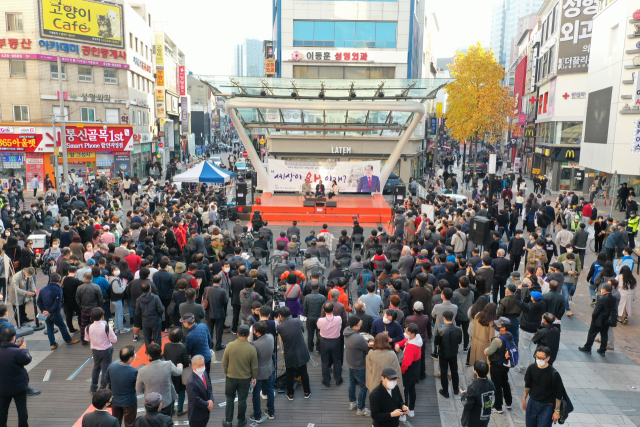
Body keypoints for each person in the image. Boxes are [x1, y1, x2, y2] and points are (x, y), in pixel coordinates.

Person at [222, 324, 258, 427]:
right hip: (245, 378)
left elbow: (224, 362)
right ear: (248, 334)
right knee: (242, 400)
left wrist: (227, 372)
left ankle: (228, 421)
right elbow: (254, 366)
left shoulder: (230, 346)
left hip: (231, 377)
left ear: (237, 334)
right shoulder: (251, 348)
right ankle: (241, 421)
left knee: (229, 399)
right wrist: (254, 377)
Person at [136, 343, 183, 417]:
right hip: (166, 401)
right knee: (167, 420)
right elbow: (178, 372)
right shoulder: (168, 364)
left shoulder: (142, 371)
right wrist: (180, 366)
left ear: (149, 356)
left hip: (151, 403)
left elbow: (139, 389)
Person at [522, 347, 565, 426]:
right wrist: (524, 398)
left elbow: (559, 393)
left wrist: (557, 411)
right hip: (532, 403)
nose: (539, 360)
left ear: (548, 358)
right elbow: (528, 384)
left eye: (542, 358)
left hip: (547, 406)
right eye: (537, 357)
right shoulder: (531, 368)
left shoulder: (554, 374)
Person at [37, 272, 81, 349]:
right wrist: (50, 311)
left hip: (45, 313)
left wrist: (44, 310)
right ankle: (68, 340)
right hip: (54, 313)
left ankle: (53, 343)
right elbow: (57, 303)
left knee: (49, 328)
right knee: (62, 327)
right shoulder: (58, 289)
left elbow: (39, 301)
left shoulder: (43, 289)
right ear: (59, 280)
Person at [276, 306, 311, 399]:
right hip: (301, 350)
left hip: (289, 352)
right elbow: (302, 331)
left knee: (289, 372)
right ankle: (307, 392)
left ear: (280, 316)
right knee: (304, 371)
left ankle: (290, 394)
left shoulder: (280, 327)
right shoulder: (297, 321)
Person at [0, 327, 31, 427]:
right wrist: (24, 349)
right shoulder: (17, 352)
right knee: (21, 410)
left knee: (2, 410)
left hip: (2, 387)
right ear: (13, 338)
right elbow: (27, 359)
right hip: (18, 386)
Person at [484, 317, 514, 413]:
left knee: (497, 386)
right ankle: (508, 402)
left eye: (499, 325)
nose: (496, 326)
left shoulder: (497, 340)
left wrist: (486, 350)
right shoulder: (510, 335)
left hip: (497, 365)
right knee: (505, 382)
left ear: (504, 328)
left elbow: (488, 352)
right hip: (506, 364)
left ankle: (498, 406)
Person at [513, 287, 546, 374]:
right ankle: (532, 366)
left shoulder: (527, 307)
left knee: (523, 348)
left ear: (533, 299)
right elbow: (537, 300)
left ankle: (521, 366)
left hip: (525, 330)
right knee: (533, 349)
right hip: (536, 330)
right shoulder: (542, 305)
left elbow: (516, 300)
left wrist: (519, 290)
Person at [104, 345, 139, 427]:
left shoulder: (111, 366)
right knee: (130, 423)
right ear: (130, 358)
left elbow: (106, 380)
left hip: (115, 401)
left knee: (116, 423)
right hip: (129, 402)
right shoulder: (134, 372)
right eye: (134, 354)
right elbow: (138, 386)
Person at [579, 283, 617, 356]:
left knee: (592, 333)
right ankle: (602, 350)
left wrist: (593, 319)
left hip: (599, 319)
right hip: (607, 320)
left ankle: (587, 347)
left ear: (604, 289)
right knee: (604, 335)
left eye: (602, 289)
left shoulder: (602, 298)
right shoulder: (613, 298)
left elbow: (596, 311)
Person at [345, 316, 372, 416]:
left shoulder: (347, 331)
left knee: (351, 383)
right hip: (359, 364)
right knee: (363, 387)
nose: (361, 326)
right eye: (360, 325)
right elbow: (366, 348)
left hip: (350, 362)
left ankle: (352, 403)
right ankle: (360, 408)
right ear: (355, 327)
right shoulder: (358, 337)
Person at [87, 307, 118, 393]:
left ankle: (93, 387)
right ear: (102, 316)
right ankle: (103, 388)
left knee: (96, 367)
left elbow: (87, 339)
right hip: (106, 350)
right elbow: (114, 340)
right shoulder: (106, 327)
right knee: (105, 369)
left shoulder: (89, 327)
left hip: (95, 350)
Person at [394, 323, 422, 417]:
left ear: (412, 333)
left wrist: (401, 372)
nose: (405, 333)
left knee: (404, 392)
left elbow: (406, 362)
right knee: (412, 390)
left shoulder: (411, 347)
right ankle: (411, 410)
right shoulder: (416, 339)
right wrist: (398, 344)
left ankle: (403, 414)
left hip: (408, 371)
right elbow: (405, 341)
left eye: (407, 331)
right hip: (416, 369)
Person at [250, 321, 275, 422]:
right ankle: (271, 412)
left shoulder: (254, 344)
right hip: (269, 369)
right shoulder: (271, 337)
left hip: (258, 373)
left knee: (256, 394)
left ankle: (257, 415)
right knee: (270, 391)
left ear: (256, 331)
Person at [162, 328, 190, 416]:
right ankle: (180, 409)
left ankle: (171, 408)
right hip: (180, 373)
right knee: (181, 391)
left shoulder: (166, 345)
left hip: (170, 372)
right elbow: (186, 361)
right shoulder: (182, 347)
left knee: (171, 391)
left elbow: (165, 357)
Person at [435, 310, 462, 398]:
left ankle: (445, 391)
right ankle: (456, 390)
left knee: (444, 372)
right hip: (453, 353)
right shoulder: (458, 329)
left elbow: (436, 342)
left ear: (444, 318)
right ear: (453, 318)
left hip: (443, 353)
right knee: (454, 371)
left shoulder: (440, 330)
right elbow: (459, 341)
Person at [460, 360, 496, 427]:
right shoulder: (491, 384)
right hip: (485, 417)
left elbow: (467, 404)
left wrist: (463, 395)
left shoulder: (473, 387)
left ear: (475, 371)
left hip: (473, 419)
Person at [318, 301, 343, 387]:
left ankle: (326, 380)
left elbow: (318, 327)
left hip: (324, 341)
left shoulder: (320, 320)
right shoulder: (338, 318)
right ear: (333, 309)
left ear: (323, 309)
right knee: (337, 360)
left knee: (325, 361)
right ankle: (338, 379)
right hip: (335, 341)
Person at [76, 271, 104, 345]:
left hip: (84, 309)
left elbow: (77, 299)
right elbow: (100, 298)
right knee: (97, 324)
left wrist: (81, 307)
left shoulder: (79, 287)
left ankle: (83, 340)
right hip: (94, 309)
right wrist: (100, 308)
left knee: (83, 325)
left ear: (84, 278)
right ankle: (97, 339)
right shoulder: (96, 287)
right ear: (91, 278)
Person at [186, 355, 214, 427]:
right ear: (193, 366)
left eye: (203, 364)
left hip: (205, 413)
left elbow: (209, 387)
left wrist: (211, 399)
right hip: (196, 416)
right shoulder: (191, 382)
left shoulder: (204, 373)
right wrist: (208, 405)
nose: (202, 367)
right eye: (199, 365)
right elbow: (196, 400)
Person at [205, 274, 228, 351]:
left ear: (212, 281)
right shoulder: (222, 291)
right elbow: (225, 301)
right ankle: (218, 345)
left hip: (209, 313)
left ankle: (210, 344)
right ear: (220, 281)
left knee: (209, 329)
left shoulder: (207, 289)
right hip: (219, 313)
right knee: (219, 330)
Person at [303, 282, 326, 354]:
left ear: (310, 288)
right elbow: (324, 308)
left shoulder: (307, 297)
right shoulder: (322, 297)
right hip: (319, 318)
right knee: (319, 333)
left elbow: (305, 308)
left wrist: (306, 315)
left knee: (310, 334)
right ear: (318, 288)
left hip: (310, 318)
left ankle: (310, 349)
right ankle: (318, 349)